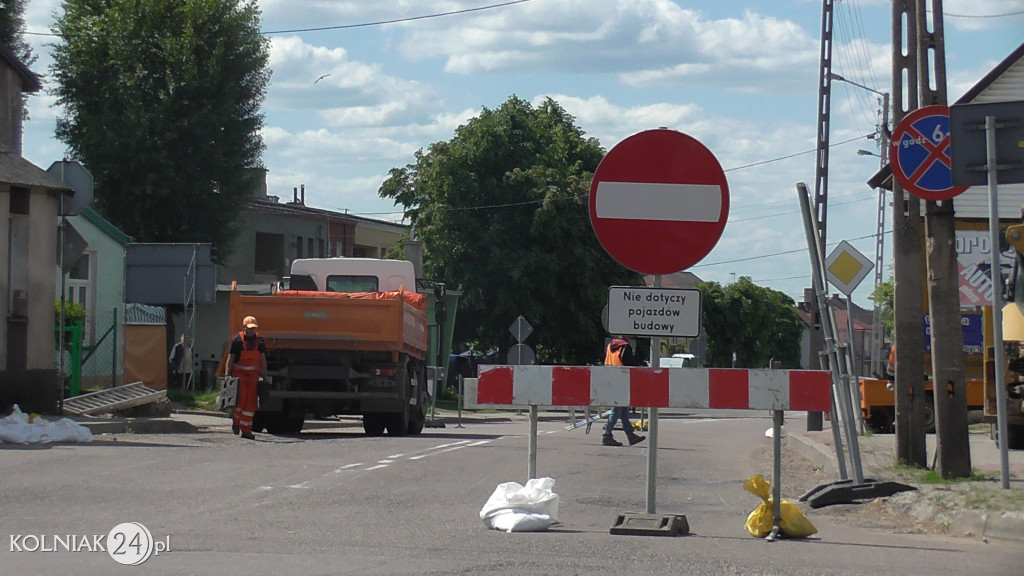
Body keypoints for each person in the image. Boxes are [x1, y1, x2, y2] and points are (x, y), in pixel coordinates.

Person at [224, 316, 267, 440]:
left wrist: (264, 373)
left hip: (253, 375)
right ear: (244, 327)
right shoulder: (237, 340)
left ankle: (246, 431)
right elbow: (230, 358)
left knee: (251, 403)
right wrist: (227, 374)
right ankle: (236, 423)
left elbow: (263, 358)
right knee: (241, 400)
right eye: (250, 328)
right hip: (239, 375)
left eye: (254, 328)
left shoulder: (259, 341)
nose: (252, 330)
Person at [601, 338, 646, 447]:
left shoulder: (610, 346)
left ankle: (630, 435)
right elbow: (630, 365)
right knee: (616, 409)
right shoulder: (625, 347)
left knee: (623, 410)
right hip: (622, 380)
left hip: (611, 379)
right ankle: (607, 435)